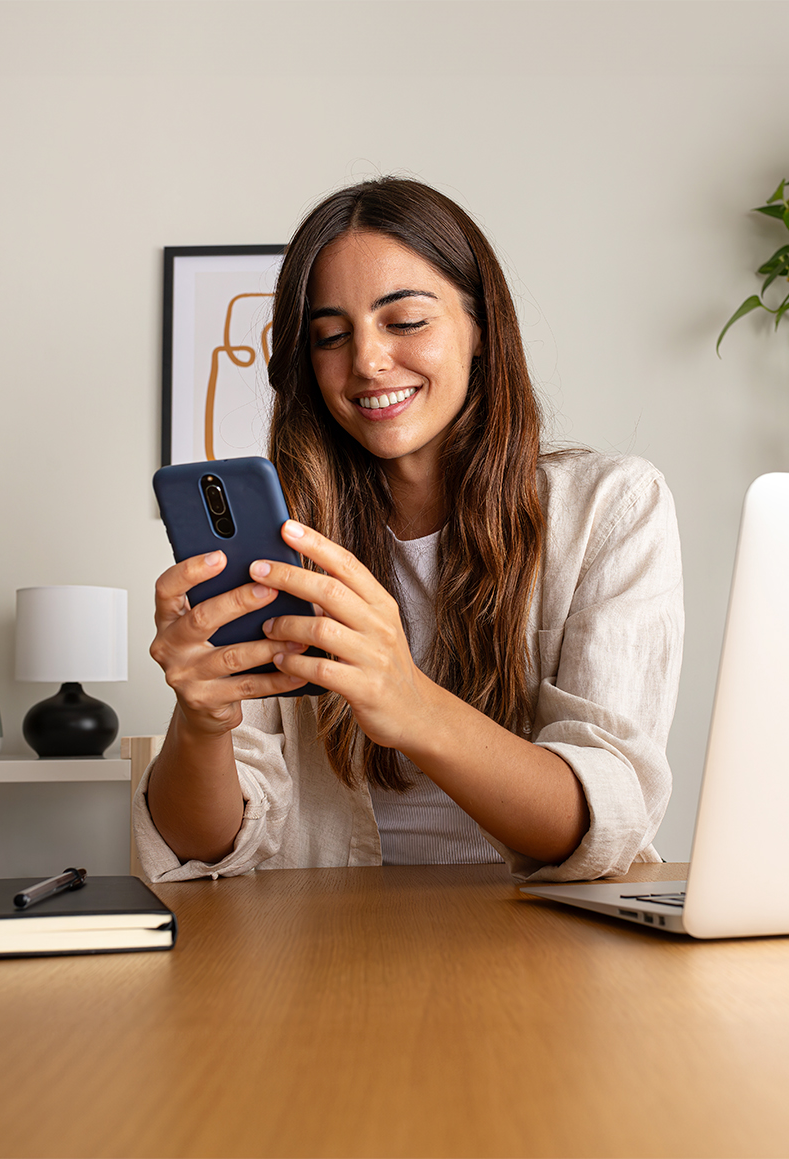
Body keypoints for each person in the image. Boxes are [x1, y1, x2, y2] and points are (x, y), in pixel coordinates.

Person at [135, 178, 683, 883]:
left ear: (480, 328)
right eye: (332, 336)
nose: (366, 360)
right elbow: (202, 849)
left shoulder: (610, 508)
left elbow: (602, 820)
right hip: (326, 932)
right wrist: (201, 721)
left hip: (535, 931)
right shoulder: (284, 543)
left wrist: (408, 700)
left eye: (406, 321)